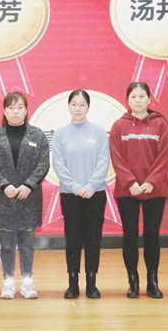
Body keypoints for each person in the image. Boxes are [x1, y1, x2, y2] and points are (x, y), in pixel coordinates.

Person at [0, 92, 50, 299]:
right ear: (4, 111)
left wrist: (29, 184)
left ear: (26, 110)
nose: (15, 111)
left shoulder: (37, 135)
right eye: (11, 107)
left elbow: (43, 164)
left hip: (29, 196)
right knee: (6, 244)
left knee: (27, 243)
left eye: (20, 107)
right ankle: (8, 281)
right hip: (3, 196)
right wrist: (4, 185)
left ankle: (28, 281)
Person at [109, 81, 168, 299]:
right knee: (130, 236)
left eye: (142, 96)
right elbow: (116, 157)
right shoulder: (119, 126)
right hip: (128, 191)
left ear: (149, 99)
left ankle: (152, 282)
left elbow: (164, 156)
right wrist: (130, 182)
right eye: (133, 97)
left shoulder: (160, 124)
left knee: (152, 236)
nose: (137, 100)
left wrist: (151, 181)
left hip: (155, 189)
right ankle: (133, 282)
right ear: (127, 100)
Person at [52, 90, 110, 299]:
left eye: (82, 104)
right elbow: (58, 163)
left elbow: (104, 161)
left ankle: (92, 283)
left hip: (95, 193)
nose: (78, 108)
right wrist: (75, 186)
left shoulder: (99, 132)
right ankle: (73, 283)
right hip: (70, 194)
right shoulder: (60, 134)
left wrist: (91, 185)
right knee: (73, 239)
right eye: (74, 104)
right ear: (68, 106)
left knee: (93, 239)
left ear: (88, 107)